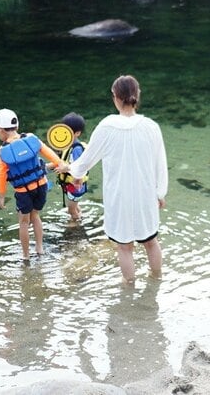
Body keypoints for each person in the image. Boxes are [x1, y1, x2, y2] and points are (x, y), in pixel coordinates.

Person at [57, 75, 168, 284]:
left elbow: (86, 161)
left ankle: (129, 288)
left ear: (116, 97)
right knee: (151, 242)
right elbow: (160, 163)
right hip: (145, 195)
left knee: (124, 247)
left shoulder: (107, 126)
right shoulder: (151, 127)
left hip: (119, 197)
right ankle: (156, 283)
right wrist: (160, 193)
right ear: (137, 95)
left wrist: (70, 169)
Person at [0, 108, 63, 261]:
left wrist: (2, 195)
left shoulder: (2, 151)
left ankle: (26, 255)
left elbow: (1, 174)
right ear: (16, 126)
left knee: (23, 222)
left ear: (1, 130)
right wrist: (60, 163)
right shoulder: (31, 138)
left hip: (23, 191)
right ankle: (40, 248)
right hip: (41, 186)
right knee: (35, 216)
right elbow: (49, 153)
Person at [57, 112, 88, 221]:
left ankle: (76, 224)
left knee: (71, 210)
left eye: (68, 131)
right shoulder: (67, 145)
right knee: (74, 205)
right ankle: (81, 215)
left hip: (76, 185)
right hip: (70, 184)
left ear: (77, 133)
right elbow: (62, 160)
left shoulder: (76, 149)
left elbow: (80, 167)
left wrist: (67, 169)